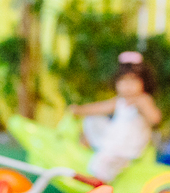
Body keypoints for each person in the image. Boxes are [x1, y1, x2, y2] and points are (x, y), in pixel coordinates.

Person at [68, 51, 161, 183]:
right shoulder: (119, 101)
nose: (128, 86)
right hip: (114, 137)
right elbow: (99, 107)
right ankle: (87, 146)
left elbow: (155, 118)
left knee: (108, 158)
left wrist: (144, 107)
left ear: (144, 82)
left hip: (129, 144)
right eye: (123, 81)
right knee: (92, 119)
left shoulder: (143, 100)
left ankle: (99, 179)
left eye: (133, 80)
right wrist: (79, 110)